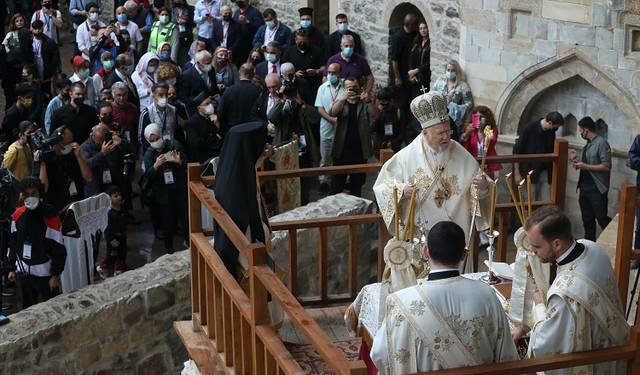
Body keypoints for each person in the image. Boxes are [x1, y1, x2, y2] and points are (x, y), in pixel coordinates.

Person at [370, 221, 519, 373]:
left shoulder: (402, 301)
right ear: (463, 255)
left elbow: (380, 355)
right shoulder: (486, 294)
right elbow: (506, 355)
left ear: (426, 252)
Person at [373, 91, 492, 248]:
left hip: (455, 235)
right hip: (419, 237)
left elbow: (481, 186)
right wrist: (402, 190)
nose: (446, 137)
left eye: (448, 131)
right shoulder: (406, 156)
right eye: (440, 133)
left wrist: (483, 187)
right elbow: (382, 186)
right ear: (425, 134)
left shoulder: (461, 154)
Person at [520, 205, 628, 374]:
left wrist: (540, 307)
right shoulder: (592, 247)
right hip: (614, 354)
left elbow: (544, 344)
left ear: (557, 244)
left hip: (593, 363)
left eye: (537, 246)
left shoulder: (565, 292)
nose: (532, 251)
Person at [7, 176, 67, 310]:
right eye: (26, 194)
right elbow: (14, 244)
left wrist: (56, 275)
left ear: (40, 194)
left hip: (45, 274)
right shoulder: (17, 215)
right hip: (23, 272)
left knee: (54, 309)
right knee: (27, 310)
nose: (30, 197)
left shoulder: (50, 215)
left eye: (33, 193)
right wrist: (12, 268)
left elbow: (58, 248)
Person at [268, 82, 321, 205]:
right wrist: (282, 100)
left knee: (303, 195)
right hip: (284, 159)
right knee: (284, 194)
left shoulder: (303, 111)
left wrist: (301, 103)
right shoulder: (282, 112)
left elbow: (315, 118)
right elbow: (271, 117)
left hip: (304, 158)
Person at [143, 123, 189, 254]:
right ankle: (169, 248)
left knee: (185, 218)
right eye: (151, 141)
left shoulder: (174, 145)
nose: (155, 142)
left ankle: (189, 242)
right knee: (167, 222)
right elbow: (148, 175)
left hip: (178, 188)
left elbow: (186, 164)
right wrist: (156, 166)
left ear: (161, 135)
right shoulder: (149, 153)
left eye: (156, 139)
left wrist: (179, 162)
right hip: (162, 192)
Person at [329, 77, 378, 197]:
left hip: (359, 151)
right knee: (336, 185)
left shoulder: (364, 103)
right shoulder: (342, 102)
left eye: (354, 88)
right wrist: (342, 99)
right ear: (344, 89)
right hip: (341, 150)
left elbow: (376, 115)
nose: (352, 91)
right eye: (349, 88)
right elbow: (332, 112)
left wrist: (368, 101)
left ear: (360, 88)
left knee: (357, 185)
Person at [567, 117, 612, 241]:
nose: (581, 133)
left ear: (586, 130)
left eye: (581, 130)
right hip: (584, 186)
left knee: (601, 218)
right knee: (587, 219)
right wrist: (575, 160)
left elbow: (606, 166)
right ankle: (589, 244)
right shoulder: (588, 144)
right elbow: (586, 163)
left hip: (597, 188)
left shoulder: (602, 143)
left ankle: (619, 239)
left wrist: (585, 166)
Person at [37, 126, 93, 211]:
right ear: (57, 142)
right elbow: (43, 189)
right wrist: (42, 165)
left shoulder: (72, 156)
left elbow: (89, 177)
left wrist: (79, 157)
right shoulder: (45, 161)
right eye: (68, 143)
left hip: (77, 205)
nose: (71, 145)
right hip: (57, 208)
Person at [513, 111, 563, 203]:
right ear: (550, 123)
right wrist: (517, 172)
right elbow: (517, 150)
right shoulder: (529, 128)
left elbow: (553, 148)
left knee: (547, 201)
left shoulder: (550, 132)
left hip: (545, 171)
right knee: (530, 201)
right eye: (555, 128)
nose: (555, 130)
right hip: (529, 171)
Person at [314, 62, 344, 195]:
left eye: (334, 73)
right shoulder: (322, 88)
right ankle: (324, 181)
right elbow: (319, 107)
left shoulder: (345, 88)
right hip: (326, 128)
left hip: (342, 129)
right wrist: (331, 119)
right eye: (329, 73)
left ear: (340, 74)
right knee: (325, 157)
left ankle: (341, 180)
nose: (331, 75)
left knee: (341, 157)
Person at [323, 35, 373, 101]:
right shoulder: (333, 60)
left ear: (354, 46)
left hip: (356, 97)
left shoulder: (361, 60)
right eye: (346, 46)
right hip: (338, 97)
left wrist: (366, 93)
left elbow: (370, 78)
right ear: (341, 46)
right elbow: (325, 79)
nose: (349, 48)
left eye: (351, 46)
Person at [217, 63, 262, 136]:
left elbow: (221, 112)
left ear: (239, 73)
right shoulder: (259, 91)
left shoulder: (229, 91)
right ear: (253, 75)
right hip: (253, 132)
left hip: (233, 132)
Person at [138, 82, 184, 152]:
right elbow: (141, 138)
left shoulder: (173, 110)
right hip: (154, 152)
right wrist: (153, 151)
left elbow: (176, 131)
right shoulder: (147, 113)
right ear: (154, 97)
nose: (164, 98)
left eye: (166, 94)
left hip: (172, 150)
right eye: (161, 95)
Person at [459, 105, 502, 179]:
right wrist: (467, 133)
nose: (479, 119)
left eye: (482, 117)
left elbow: (491, 144)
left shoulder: (492, 130)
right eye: (477, 117)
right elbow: (462, 144)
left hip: (487, 165)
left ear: (487, 118)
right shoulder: (471, 130)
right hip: (473, 164)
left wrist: (482, 131)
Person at [282, 28, 325, 100]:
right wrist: (294, 74)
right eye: (300, 42)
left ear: (308, 39)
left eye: (304, 42)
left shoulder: (317, 51)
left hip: (313, 86)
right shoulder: (289, 52)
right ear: (296, 40)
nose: (302, 44)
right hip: (295, 87)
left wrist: (316, 71)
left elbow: (324, 67)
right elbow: (284, 69)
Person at [96, 185, 128, 278]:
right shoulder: (109, 212)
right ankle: (102, 267)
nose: (119, 198)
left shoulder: (122, 208)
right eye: (115, 196)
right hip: (114, 238)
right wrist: (111, 240)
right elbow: (107, 228)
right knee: (112, 256)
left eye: (119, 195)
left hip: (122, 236)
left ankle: (118, 269)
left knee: (122, 253)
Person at [390, 12, 417, 118]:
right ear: (410, 25)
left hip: (413, 72)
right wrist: (397, 77)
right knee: (404, 101)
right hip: (403, 74)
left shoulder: (415, 35)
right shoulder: (399, 37)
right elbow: (395, 59)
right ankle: (401, 122)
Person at [432, 60, 473, 127]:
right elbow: (431, 95)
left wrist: (456, 108)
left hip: (453, 118)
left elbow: (469, 104)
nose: (450, 72)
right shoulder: (439, 81)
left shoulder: (462, 85)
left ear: (456, 71)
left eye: (452, 70)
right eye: (448, 70)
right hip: (438, 116)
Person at [178, 50, 220, 115]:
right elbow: (183, 97)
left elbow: (213, 89)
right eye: (206, 63)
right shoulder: (186, 76)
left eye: (210, 62)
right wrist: (202, 102)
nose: (209, 65)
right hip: (196, 111)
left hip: (212, 108)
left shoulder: (211, 70)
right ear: (198, 63)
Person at [3, 27, 34, 112]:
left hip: (16, 80)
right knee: (11, 103)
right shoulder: (18, 51)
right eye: (29, 37)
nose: (31, 39)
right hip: (10, 82)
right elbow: (25, 65)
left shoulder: (25, 48)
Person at [370, 87, 406, 161]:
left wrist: (393, 143)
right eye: (380, 102)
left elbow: (403, 132)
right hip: (379, 149)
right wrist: (377, 115)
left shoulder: (398, 113)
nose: (382, 104)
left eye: (384, 102)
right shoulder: (376, 112)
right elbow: (371, 129)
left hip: (394, 150)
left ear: (391, 101)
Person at [185, 92, 222, 163]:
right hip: (201, 158)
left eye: (210, 102)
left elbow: (223, 135)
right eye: (207, 104)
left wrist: (217, 125)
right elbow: (197, 142)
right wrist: (216, 138)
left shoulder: (216, 117)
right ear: (199, 108)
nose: (210, 105)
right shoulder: (191, 122)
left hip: (217, 155)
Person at [30, 19, 60, 99]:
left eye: (39, 28)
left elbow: (55, 56)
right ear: (32, 29)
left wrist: (50, 69)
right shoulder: (29, 41)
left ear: (42, 29)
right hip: (34, 69)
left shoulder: (49, 41)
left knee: (46, 90)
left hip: (45, 70)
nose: (37, 31)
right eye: (35, 29)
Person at [232, 0, 264, 66]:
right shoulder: (236, 12)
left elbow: (260, 27)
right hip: (237, 47)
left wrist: (247, 22)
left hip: (248, 46)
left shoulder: (255, 13)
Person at [111, 81, 140, 150]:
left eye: (124, 94)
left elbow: (137, 128)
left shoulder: (133, 107)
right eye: (118, 95)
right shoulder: (110, 110)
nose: (122, 98)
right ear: (113, 95)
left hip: (132, 146)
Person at [408, 21, 431, 100]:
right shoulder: (417, 42)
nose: (423, 30)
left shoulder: (430, 44)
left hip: (425, 77)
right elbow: (411, 58)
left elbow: (429, 62)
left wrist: (416, 70)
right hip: (416, 78)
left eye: (425, 28)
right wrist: (412, 73)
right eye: (421, 29)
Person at [171, 0, 195, 67]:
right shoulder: (172, 10)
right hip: (175, 34)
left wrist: (185, 22)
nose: (177, 2)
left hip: (186, 36)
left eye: (179, 0)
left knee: (185, 56)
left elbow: (193, 24)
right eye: (175, 1)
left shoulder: (189, 10)